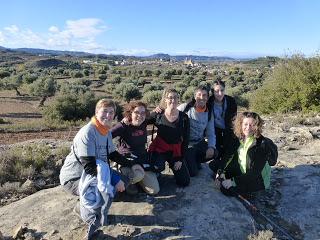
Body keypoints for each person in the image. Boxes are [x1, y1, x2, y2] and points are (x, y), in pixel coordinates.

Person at [59, 99, 134, 239]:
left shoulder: (106, 131)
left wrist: (131, 163)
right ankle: (92, 222)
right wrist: (114, 179)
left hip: (93, 173)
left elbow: (112, 153)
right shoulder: (88, 132)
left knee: (124, 181)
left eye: (111, 112)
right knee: (104, 188)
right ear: (96, 112)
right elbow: (90, 168)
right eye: (104, 111)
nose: (108, 115)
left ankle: (83, 206)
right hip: (74, 178)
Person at [216, 112, 278, 196]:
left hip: (258, 180)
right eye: (245, 124)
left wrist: (232, 181)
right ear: (240, 125)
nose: (248, 128)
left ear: (257, 126)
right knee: (215, 166)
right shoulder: (239, 138)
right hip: (244, 172)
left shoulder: (262, 145)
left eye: (252, 125)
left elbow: (254, 173)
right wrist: (220, 172)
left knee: (226, 190)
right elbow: (228, 155)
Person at [111, 101, 160, 195]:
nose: (140, 115)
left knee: (154, 190)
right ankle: (124, 179)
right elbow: (106, 136)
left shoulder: (144, 122)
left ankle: (135, 180)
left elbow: (155, 114)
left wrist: (159, 109)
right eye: (136, 112)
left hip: (142, 160)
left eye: (142, 113)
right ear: (130, 113)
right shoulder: (124, 125)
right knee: (138, 175)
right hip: (127, 161)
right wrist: (115, 150)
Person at [148, 88, 190, 187]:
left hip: (175, 153)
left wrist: (180, 159)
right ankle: (157, 171)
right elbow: (142, 120)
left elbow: (186, 140)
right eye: (170, 98)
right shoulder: (158, 114)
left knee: (184, 181)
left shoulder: (184, 118)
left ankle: (174, 166)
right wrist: (152, 111)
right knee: (157, 167)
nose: (173, 100)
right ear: (165, 99)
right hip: (160, 150)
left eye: (175, 97)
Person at [177, 85, 216, 177]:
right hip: (187, 145)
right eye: (199, 95)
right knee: (193, 173)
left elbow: (211, 132)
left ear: (207, 97)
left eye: (204, 95)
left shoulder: (209, 112)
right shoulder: (185, 107)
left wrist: (211, 147)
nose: (201, 98)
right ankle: (190, 161)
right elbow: (171, 113)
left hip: (199, 142)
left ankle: (195, 160)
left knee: (214, 152)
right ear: (195, 97)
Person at [208, 79, 237, 174]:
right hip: (215, 129)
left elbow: (234, 119)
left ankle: (223, 169)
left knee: (228, 150)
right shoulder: (209, 101)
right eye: (216, 91)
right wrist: (162, 107)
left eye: (222, 90)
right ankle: (218, 169)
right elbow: (194, 102)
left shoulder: (231, 101)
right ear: (212, 92)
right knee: (217, 151)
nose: (219, 93)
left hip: (228, 129)